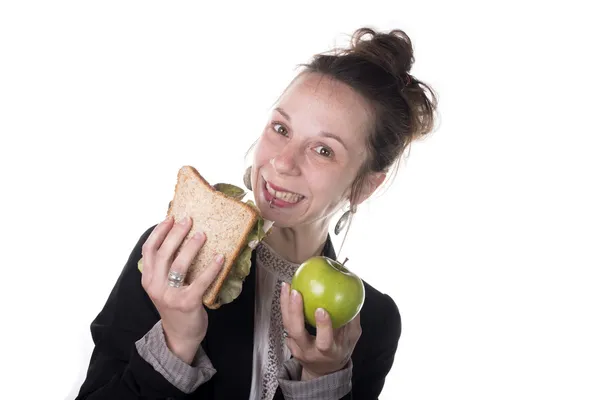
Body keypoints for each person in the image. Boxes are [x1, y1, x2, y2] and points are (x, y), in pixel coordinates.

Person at [76, 26, 437, 400]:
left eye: (323, 150)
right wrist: (175, 342)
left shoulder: (370, 324)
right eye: (281, 128)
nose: (281, 162)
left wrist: (322, 378)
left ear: (364, 186)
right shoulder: (175, 258)